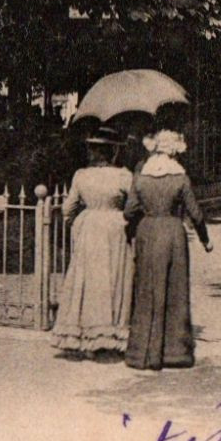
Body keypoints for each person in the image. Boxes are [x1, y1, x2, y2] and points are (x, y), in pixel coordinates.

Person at [124, 130, 211, 371]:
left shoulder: (142, 177)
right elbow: (195, 213)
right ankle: (174, 352)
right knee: (174, 290)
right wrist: (206, 240)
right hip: (173, 233)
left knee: (146, 288)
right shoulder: (180, 178)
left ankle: (141, 352)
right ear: (174, 151)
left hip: (147, 232)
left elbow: (129, 211)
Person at [51, 128, 135, 358]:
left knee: (88, 281)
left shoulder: (82, 176)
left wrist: (74, 223)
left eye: (92, 149)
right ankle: (114, 336)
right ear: (114, 152)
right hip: (115, 227)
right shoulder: (123, 176)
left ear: (96, 152)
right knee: (114, 279)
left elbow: (68, 208)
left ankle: (86, 337)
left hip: (90, 227)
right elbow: (134, 206)